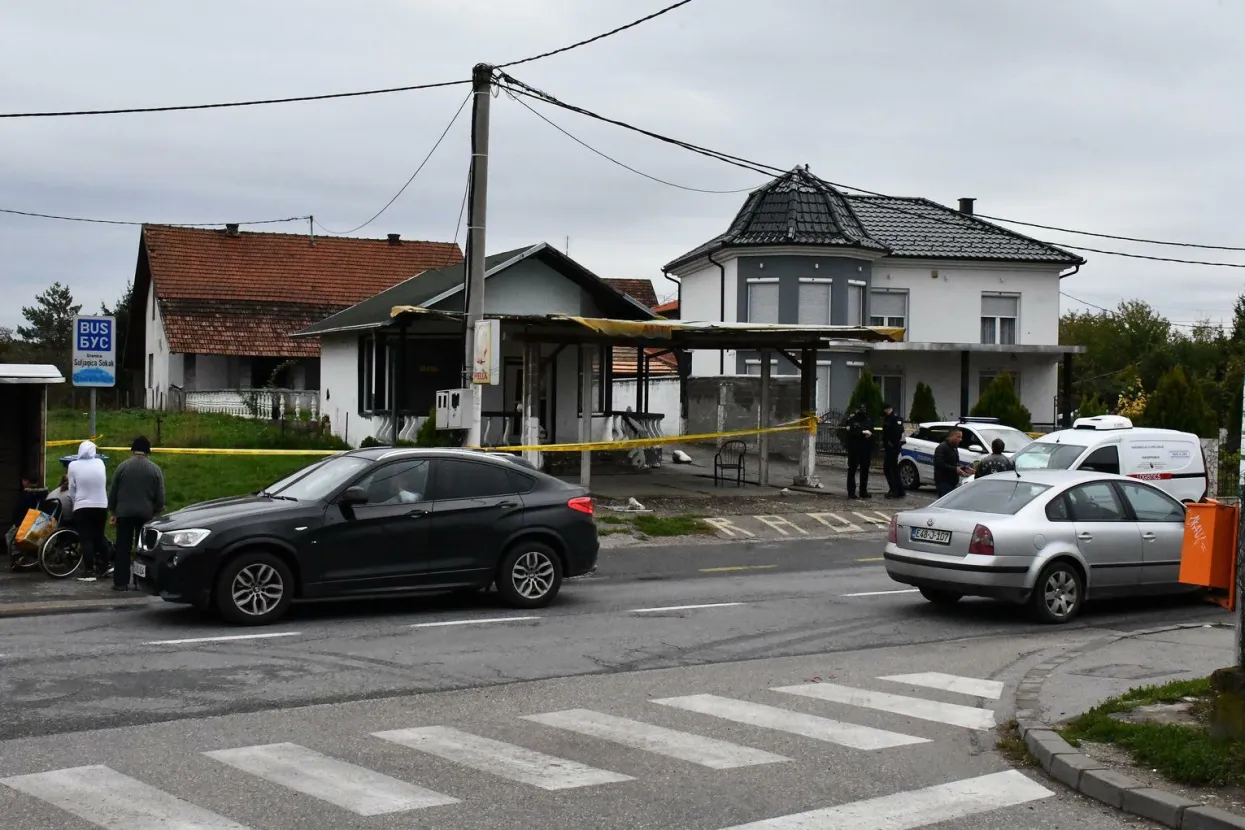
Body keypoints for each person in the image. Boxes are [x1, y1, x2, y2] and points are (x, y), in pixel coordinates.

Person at [108, 436, 165, 591]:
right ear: (148, 451)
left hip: (124, 513)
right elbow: (160, 496)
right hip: (146, 514)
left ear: (133, 450)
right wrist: (157, 510)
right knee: (142, 549)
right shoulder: (155, 469)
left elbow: (113, 491)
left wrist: (113, 510)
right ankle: (140, 582)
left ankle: (120, 583)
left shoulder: (122, 467)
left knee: (123, 547)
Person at [68, 440, 110, 579]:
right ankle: (106, 565)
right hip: (101, 505)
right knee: (99, 536)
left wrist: (75, 503)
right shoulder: (100, 463)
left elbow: (71, 489)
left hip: (82, 506)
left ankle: (89, 571)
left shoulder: (73, 465)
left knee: (86, 539)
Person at [844, 404, 874, 499]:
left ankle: (863, 491)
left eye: (864, 409)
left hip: (865, 449)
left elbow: (872, 429)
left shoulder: (868, 419)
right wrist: (861, 432)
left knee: (865, 471)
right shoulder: (852, 420)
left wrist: (869, 434)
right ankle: (851, 492)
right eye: (861, 409)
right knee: (852, 470)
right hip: (854, 449)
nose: (863, 411)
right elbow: (850, 432)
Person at [933, 427, 973, 497]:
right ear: (953, 436)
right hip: (944, 482)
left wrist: (963, 468)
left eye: (961, 437)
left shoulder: (954, 447)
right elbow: (939, 464)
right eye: (959, 437)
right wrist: (955, 469)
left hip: (952, 482)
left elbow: (954, 463)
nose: (961, 439)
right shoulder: (942, 447)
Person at [881, 403, 906, 499]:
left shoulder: (896, 418)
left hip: (893, 448)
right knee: (892, 469)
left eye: (885, 410)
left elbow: (899, 431)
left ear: (888, 409)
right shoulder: (888, 418)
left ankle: (895, 490)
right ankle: (898, 490)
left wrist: (893, 443)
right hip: (889, 447)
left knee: (890, 468)